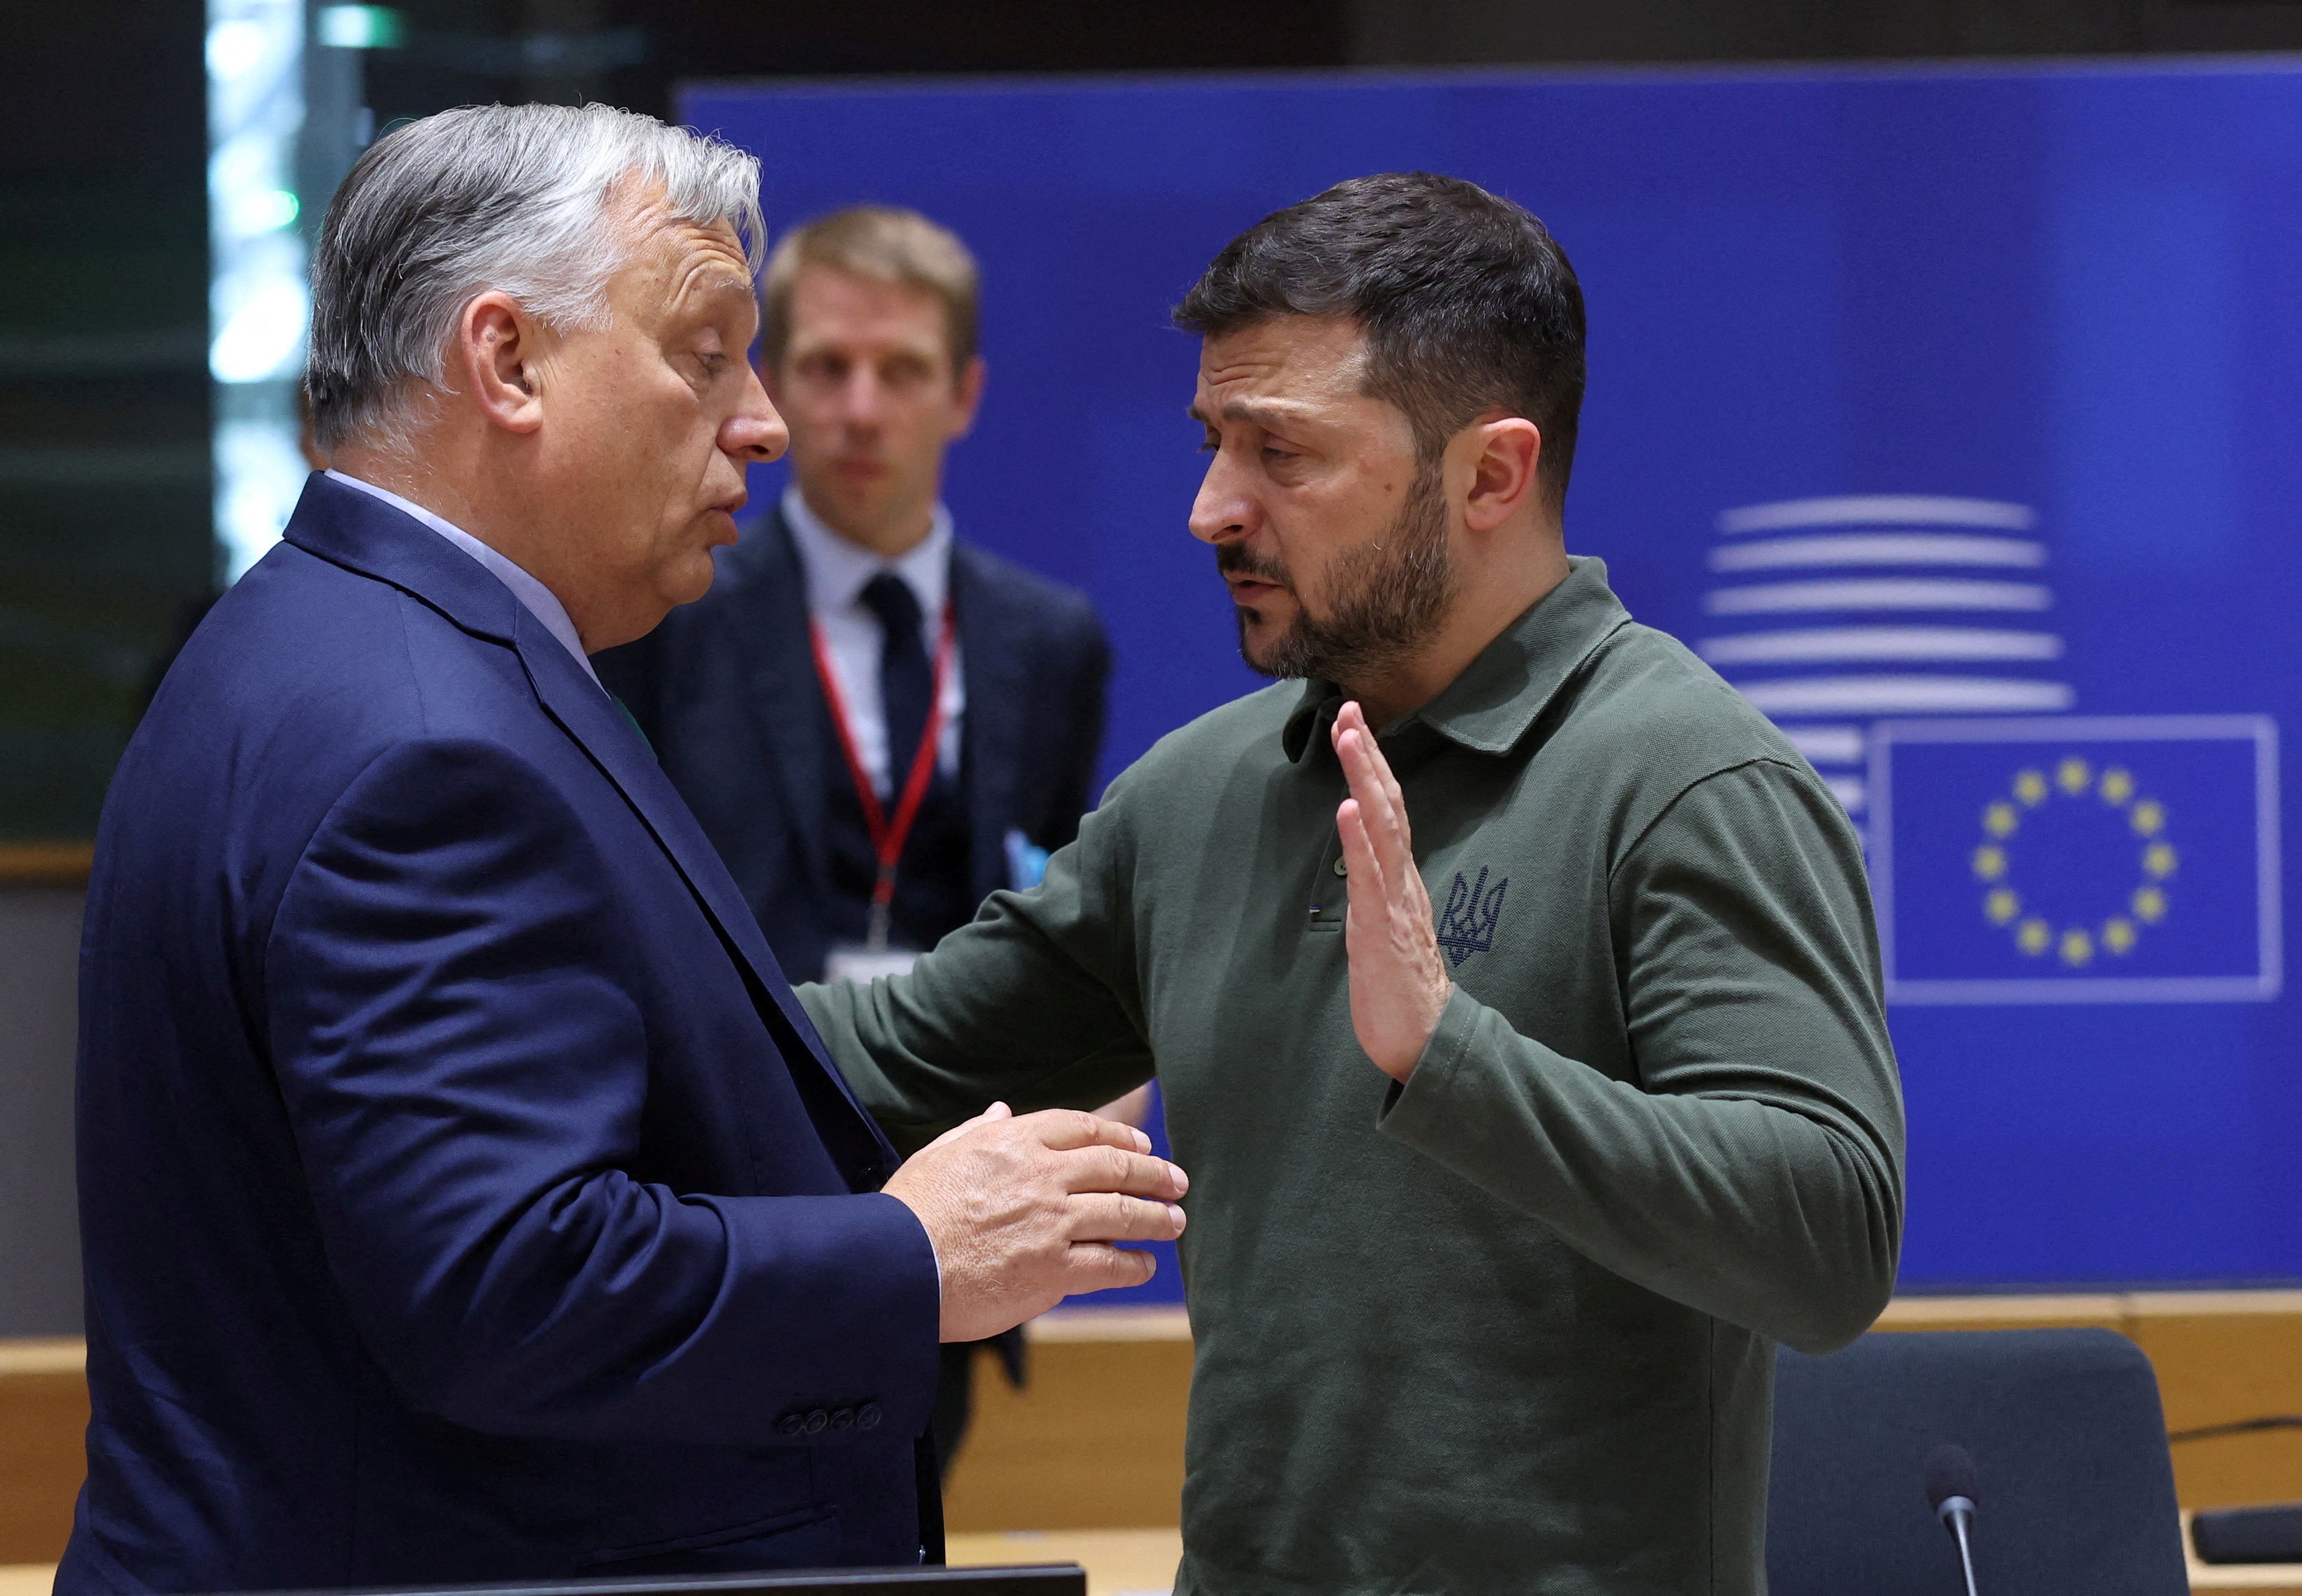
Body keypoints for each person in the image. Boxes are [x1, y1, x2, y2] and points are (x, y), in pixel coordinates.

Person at [61, 103, 1185, 1595]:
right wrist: (913, 1255)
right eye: (706, 352)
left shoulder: (332, 639)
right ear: (507, 362)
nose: (766, 421)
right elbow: (508, 1284)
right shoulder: (423, 742)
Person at [801, 171, 1906, 1593]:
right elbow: (877, 1065)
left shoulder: (1687, 781)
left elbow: (1826, 1241)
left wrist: (1451, 1056)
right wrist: (555, 988)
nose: (1210, 509)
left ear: (1490, 475)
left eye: (1281, 454)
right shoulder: (1197, 794)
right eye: (1212, 443)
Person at [594, 205, 1121, 1510]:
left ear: (966, 395)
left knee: (903, 1526)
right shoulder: (674, 610)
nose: (859, 409)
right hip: (726, 1181)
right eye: (824, 367)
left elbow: (1051, 903)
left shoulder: (1047, 641)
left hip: (950, 1173)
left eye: (902, 372)